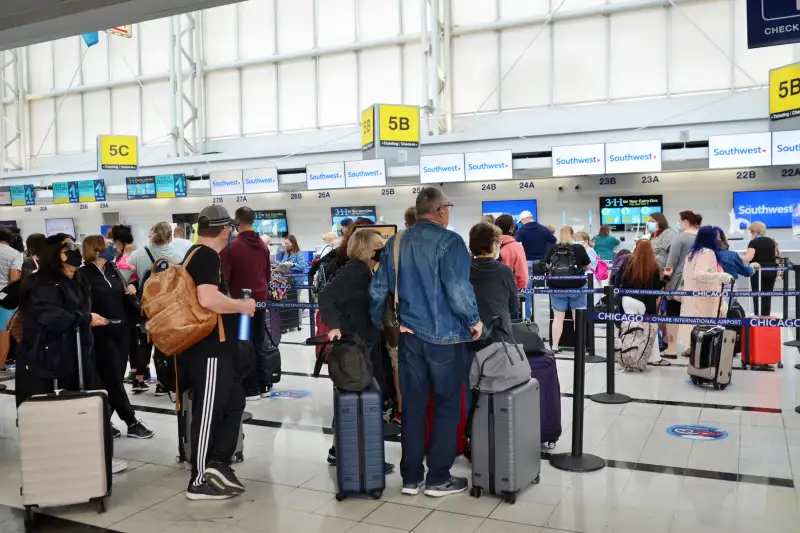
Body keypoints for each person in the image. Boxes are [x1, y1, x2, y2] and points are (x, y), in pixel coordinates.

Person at [370, 187, 482, 498]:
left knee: (414, 407)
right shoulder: (451, 242)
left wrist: (382, 325)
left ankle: (410, 478)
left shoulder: (397, 241)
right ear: (441, 210)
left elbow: (378, 290)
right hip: (446, 340)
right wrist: (474, 321)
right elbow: (458, 289)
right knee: (447, 407)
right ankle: (438, 478)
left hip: (409, 338)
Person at [181, 205, 255, 500]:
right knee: (208, 413)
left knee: (235, 401)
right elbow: (208, 299)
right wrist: (241, 306)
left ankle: (217, 464)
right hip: (208, 350)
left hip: (214, 348)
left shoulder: (193, 254)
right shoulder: (206, 256)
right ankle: (198, 480)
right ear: (226, 229)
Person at [318, 227, 394, 473]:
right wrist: (334, 326)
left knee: (351, 398)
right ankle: (363, 458)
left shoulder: (363, 271)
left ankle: (340, 450)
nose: (382, 249)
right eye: (379, 244)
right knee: (362, 400)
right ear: (368, 249)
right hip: (356, 345)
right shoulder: (354, 273)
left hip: (360, 343)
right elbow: (327, 295)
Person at [15, 234, 105, 405]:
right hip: (50, 356)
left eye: (75, 247)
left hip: (80, 351)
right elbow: (51, 316)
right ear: (55, 254)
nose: (75, 252)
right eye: (68, 249)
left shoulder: (79, 278)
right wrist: (85, 319)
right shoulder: (41, 283)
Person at [79, 236, 154, 439]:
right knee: (113, 379)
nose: (112, 249)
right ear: (96, 250)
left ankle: (104, 421)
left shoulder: (112, 270)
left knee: (114, 378)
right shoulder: (83, 275)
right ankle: (131, 421)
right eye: (106, 246)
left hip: (122, 331)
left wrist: (130, 291)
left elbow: (121, 296)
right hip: (101, 333)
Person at [220, 207, 272, 400]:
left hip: (240, 304)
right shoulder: (263, 246)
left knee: (243, 343)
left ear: (236, 221)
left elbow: (224, 278)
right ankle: (264, 384)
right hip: (261, 300)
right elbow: (267, 274)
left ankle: (250, 389)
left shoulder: (232, 248)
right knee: (260, 342)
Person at [126, 222, 182, 393]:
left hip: (146, 306)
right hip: (169, 308)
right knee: (164, 343)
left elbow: (123, 275)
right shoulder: (178, 255)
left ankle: (139, 379)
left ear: (152, 234)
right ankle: (163, 383)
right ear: (170, 237)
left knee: (143, 340)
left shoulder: (138, 254)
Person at [678, 226, 733, 356]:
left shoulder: (692, 253)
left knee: (694, 327)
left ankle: (694, 351)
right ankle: (702, 354)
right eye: (717, 238)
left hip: (693, 296)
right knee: (705, 328)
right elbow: (699, 274)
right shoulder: (707, 253)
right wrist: (720, 276)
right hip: (705, 297)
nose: (718, 240)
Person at [617, 239, 669, 366]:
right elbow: (656, 289)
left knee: (629, 329)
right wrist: (666, 277)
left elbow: (619, 280)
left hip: (627, 299)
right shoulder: (654, 266)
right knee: (651, 329)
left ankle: (626, 354)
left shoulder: (627, 262)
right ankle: (655, 358)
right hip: (645, 302)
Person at [545, 226, 592, 354]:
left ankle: (554, 346)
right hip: (577, 287)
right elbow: (588, 267)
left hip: (556, 287)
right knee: (578, 318)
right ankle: (580, 346)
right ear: (572, 235)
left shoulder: (552, 248)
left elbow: (546, 266)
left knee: (558, 318)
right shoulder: (578, 248)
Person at [469, 222, 519, 340]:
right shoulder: (504, 271)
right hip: (499, 334)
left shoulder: (462, 269)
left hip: (469, 333)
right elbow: (513, 306)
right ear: (493, 244)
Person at [662, 210, 702, 358]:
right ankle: (692, 348)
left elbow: (670, 263)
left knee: (673, 314)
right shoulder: (701, 238)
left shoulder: (680, 238)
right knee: (692, 315)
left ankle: (671, 349)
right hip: (697, 282)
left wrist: (666, 280)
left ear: (685, 221)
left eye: (679, 221)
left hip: (678, 282)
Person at [741, 221, 778, 316]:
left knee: (756, 295)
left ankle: (758, 317)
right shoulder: (772, 241)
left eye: (751, 232)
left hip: (758, 270)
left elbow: (749, 257)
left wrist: (738, 256)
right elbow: (778, 255)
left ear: (754, 231)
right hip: (771, 270)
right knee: (767, 295)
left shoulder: (753, 242)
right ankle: (766, 317)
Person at [0, 228, 22, 376]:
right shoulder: (14, 254)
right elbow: (14, 278)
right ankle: (1, 368)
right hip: (4, 298)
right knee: (3, 332)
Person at [495, 214, 529, 290]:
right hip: (510, 289)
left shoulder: (489, 244)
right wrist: (521, 289)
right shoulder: (516, 247)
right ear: (511, 228)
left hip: (490, 290)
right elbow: (522, 273)